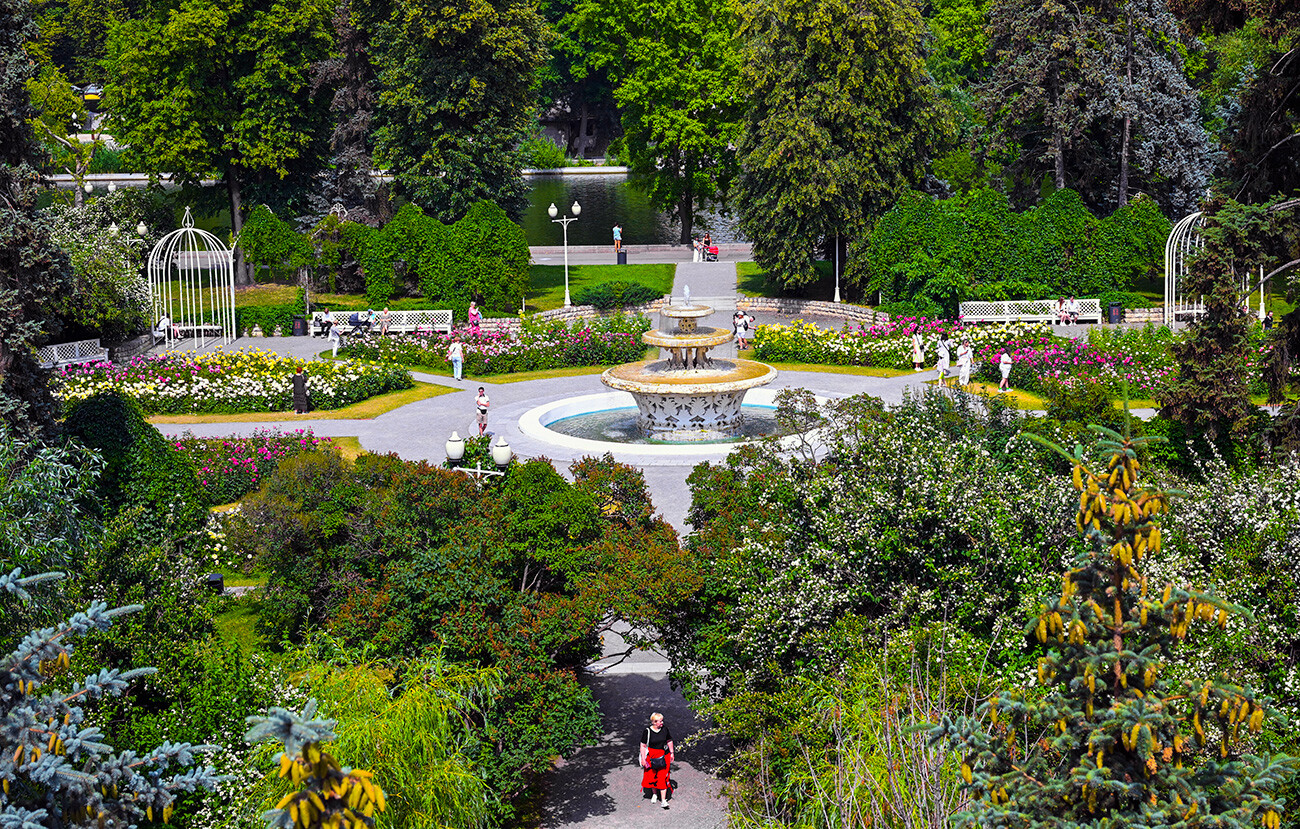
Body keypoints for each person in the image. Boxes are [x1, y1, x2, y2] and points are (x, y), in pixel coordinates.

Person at [639, 712, 674, 809]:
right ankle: (654, 794)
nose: (662, 723)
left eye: (662, 720)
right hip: (651, 756)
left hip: (663, 756)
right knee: (652, 776)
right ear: (654, 722)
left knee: (663, 777)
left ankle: (663, 800)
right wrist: (643, 759)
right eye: (660, 721)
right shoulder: (647, 731)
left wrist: (672, 752)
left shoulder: (665, 729)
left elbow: (669, 740)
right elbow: (643, 745)